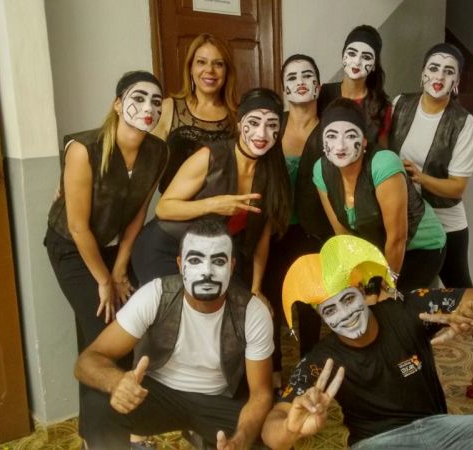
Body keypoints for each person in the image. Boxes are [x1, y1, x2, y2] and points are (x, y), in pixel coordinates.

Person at [261, 235, 473, 449]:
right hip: (377, 443)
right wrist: (290, 427)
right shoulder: (320, 361)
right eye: (331, 310)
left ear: (361, 291)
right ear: (322, 317)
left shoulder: (409, 309)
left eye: (348, 299)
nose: (345, 315)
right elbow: (271, 429)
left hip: (441, 431)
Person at [45, 70, 169, 443]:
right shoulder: (84, 149)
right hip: (71, 247)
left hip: (114, 249)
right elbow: (77, 226)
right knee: (106, 336)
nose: (148, 108)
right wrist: (103, 280)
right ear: (117, 104)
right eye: (138, 98)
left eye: (156, 102)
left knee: (113, 332)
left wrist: (118, 269)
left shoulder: (158, 151)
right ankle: (110, 438)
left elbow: (138, 215)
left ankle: (103, 430)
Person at [75, 219, 274, 449]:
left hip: (215, 402)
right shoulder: (155, 295)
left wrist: (240, 440)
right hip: (157, 396)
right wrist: (117, 382)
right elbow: (87, 360)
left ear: (231, 266)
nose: (207, 272)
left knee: (270, 435)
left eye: (218, 261)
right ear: (180, 265)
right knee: (98, 403)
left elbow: (261, 394)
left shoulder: (252, 312)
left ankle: (206, 438)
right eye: (195, 260)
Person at [389, 43, 473, 398]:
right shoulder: (400, 105)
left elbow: (457, 188)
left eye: (449, 71)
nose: (439, 76)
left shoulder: (463, 123)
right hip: (404, 220)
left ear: (457, 82)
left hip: (445, 223)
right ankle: (402, 371)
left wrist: (419, 177)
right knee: (402, 297)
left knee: (463, 293)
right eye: (434, 68)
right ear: (422, 73)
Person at [131, 88, 291, 300]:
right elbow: (164, 208)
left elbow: (261, 238)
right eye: (253, 123)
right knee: (180, 311)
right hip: (166, 247)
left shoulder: (273, 174)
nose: (261, 133)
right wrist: (214, 204)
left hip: (213, 255)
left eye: (271, 125)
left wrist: (256, 288)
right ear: (239, 124)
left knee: (236, 308)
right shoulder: (210, 156)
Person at [313, 98, 446, 291]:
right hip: (378, 251)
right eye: (332, 136)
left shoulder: (383, 164)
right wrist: (358, 280)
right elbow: (343, 235)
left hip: (419, 248)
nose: (340, 146)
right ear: (323, 142)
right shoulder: (321, 171)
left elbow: (397, 238)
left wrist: (387, 287)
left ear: (364, 141)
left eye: (350, 136)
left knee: (392, 304)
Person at [261, 54, 329, 393]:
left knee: (311, 304)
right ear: (284, 89)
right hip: (274, 231)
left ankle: (308, 370)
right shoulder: (272, 125)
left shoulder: (330, 129)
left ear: (318, 85)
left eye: (306, 75)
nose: (300, 82)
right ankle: (273, 370)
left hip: (315, 231)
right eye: (292, 77)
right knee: (271, 301)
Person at [152, 33, 238, 193]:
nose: (209, 70)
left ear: (227, 71)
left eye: (218, 64)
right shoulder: (168, 108)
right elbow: (147, 169)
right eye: (201, 62)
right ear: (190, 68)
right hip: (174, 207)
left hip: (222, 207)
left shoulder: (238, 116)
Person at [317, 25, 391, 148]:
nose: (357, 62)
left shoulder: (381, 106)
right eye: (352, 53)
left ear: (374, 65)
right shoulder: (324, 93)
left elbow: (383, 153)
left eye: (366, 57)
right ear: (343, 56)